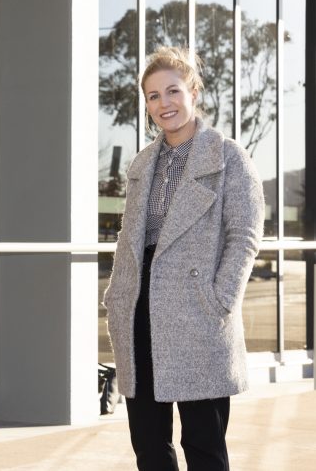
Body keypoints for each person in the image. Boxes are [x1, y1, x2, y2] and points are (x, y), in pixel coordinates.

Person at [103, 46, 265, 470]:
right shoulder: (142, 164)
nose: (163, 104)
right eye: (153, 96)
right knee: (150, 448)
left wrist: (219, 299)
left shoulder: (228, 157)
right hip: (141, 311)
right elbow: (130, 238)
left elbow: (245, 235)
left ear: (193, 91)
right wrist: (117, 296)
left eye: (172, 91)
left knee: (204, 447)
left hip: (198, 314)